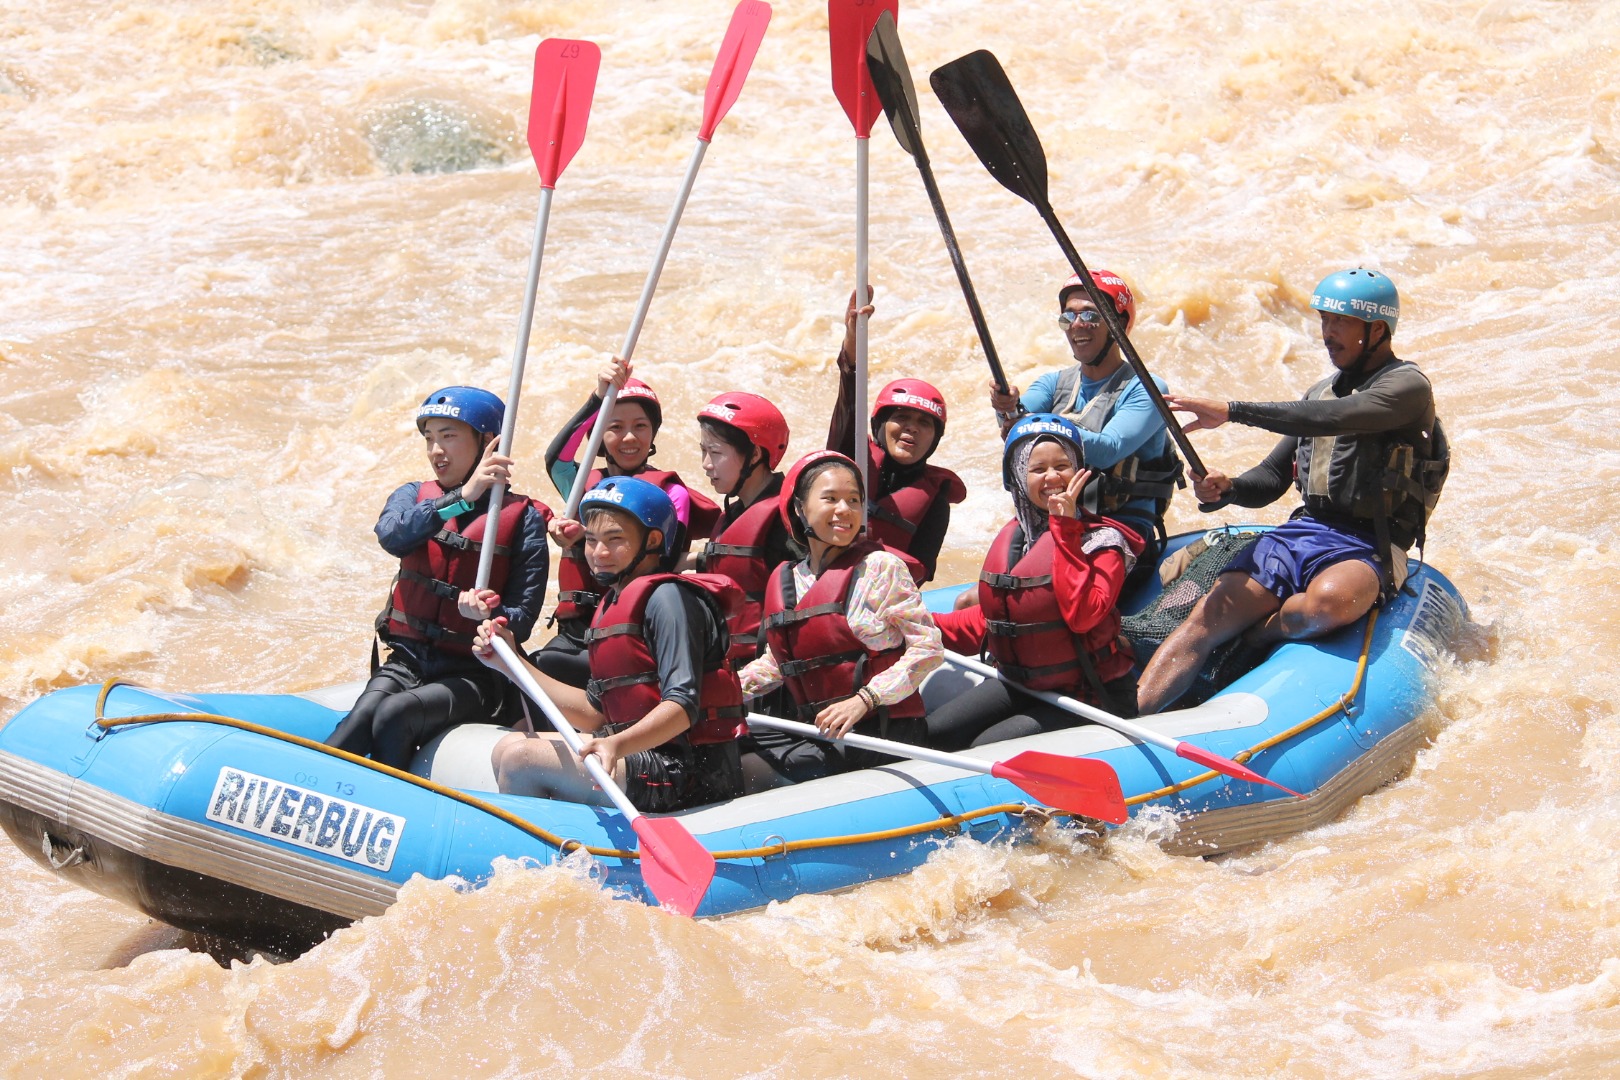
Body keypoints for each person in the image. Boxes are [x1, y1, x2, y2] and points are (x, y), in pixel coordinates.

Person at [1134, 268, 1449, 715]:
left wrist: (1232, 411)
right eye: (1324, 320)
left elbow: (1338, 418)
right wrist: (1228, 490)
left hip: (1370, 543)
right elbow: (1270, 479)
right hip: (1304, 533)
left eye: (1340, 322)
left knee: (1322, 607)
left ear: (1377, 330)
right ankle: (1136, 717)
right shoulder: (1319, 393)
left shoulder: (1406, 388)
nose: (1328, 333)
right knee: (1203, 621)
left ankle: (1263, 632)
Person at [477, 477, 746, 811]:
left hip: (689, 772)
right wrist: (511, 663)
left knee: (522, 758)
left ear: (652, 540)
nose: (598, 553)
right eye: (591, 540)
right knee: (508, 746)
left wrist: (616, 745)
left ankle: (535, 860)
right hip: (640, 756)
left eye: (614, 539)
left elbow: (682, 708)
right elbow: (595, 713)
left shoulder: (670, 600)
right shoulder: (611, 605)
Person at [326, 386, 551, 770]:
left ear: (487, 443)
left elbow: (523, 618)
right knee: (356, 724)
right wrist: (462, 496)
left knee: (394, 714)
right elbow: (392, 536)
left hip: (476, 674)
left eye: (449, 436)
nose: (436, 451)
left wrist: (488, 617)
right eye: (430, 438)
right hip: (409, 659)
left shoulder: (524, 519)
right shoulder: (413, 496)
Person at [925, 414, 1144, 750]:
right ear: (1018, 476)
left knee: (988, 745)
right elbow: (992, 623)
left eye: (1062, 465)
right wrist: (919, 626)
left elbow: (1083, 615)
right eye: (1038, 469)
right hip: (1023, 683)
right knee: (936, 733)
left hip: (1090, 694)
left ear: (1080, 472)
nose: (1053, 477)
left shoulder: (1103, 542)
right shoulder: (1019, 538)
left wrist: (1066, 529)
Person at [738, 450, 943, 785]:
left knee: (745, 771)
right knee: (726, 751)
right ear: (800, 508)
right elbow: (778, 662)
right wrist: (728, 692)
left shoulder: (881, 568)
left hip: (880, 732)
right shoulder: (788, 578)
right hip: (820, 729)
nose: (845, 510)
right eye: (830, 498)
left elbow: (928, 650)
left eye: (854, 500)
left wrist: (865, 700)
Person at [534, 357, 720, 688]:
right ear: (598, 437)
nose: (629, 437)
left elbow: (664, 559)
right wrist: (597, 398)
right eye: (615, 427)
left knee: (554, 665)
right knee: (539, 665)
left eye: (641, 426)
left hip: (633, 626)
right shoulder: (581, 485)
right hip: (578, 630)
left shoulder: (671, 493)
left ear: (653, 434)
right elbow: (556, 458)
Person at [988, 271, 1181, 575]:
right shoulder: (1052, 382)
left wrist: (1035, 425)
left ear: (1117, 324)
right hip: (1055, 519)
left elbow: (1109, 450)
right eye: (1068, 317)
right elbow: (1016, 431)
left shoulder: (1146, 387)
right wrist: (1006, 410)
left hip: (1119, 525)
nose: (1077, 325)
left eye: (1090, 315)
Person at [826, 290, 965, 582]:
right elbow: (848, 399)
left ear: (935, 439)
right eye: (901, 418)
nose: (912, 428)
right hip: (822, 582)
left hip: (879, 597)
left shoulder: (935, 501)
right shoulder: (851, 456)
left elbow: (919, 571)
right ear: (879, 426)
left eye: (924, 423)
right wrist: (853, 341)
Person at [690, 392, 795, 662]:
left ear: (755, 454)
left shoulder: (787, 518)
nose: (706, 464)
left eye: (715, 452)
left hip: (767, 670)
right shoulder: (737, 511)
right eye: (703, 450)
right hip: (730, 659)